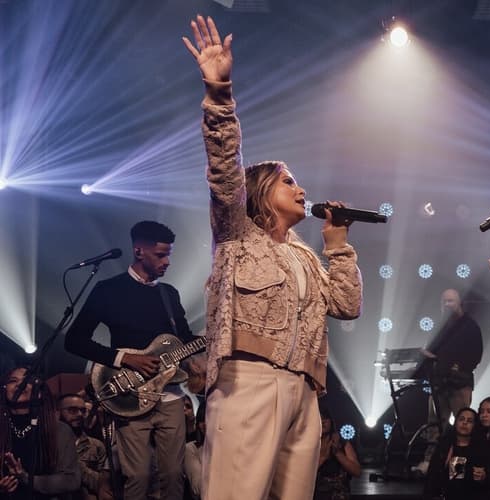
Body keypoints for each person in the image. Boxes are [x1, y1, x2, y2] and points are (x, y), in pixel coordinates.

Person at [182, 15, 363, 499]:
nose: (302, 189)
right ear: (261, 191)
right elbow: (223, 168)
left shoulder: (305, 256)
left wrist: (338, 246)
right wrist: (219, 93)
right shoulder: (237, 232)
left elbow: (347, 305)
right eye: (289, 181)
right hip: (248, 382)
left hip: (305, 391)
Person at [64, 220, 196, 500]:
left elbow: (185, 339)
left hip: (170, 396)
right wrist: (125, 358)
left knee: (173, 475)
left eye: (169, 254)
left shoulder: (168, 294)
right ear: (139, 252)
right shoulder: (107, 290)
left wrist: (215, 334)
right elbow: (74, 340)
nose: (167, 261)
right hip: (129, 395)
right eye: (161, 254)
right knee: (137, 476)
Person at [0, 367, 81, 499]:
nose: (20, 384)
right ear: (4, 390)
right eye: (13, 380)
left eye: (28, 380)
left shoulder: (59, 430)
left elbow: (71, 480)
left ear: (39, 392)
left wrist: (25, 478)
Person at [422, 289, 483, 428]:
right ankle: (436, 449)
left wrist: (456, 366)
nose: (447, 304)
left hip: (459, 384)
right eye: (444, 302)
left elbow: (476, 355)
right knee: (435, 426)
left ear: (459, 303)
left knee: (462, 425)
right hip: (439, 383)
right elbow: (431, 351)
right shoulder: (439, 327)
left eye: (450, 301)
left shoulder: (470, 326)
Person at [424, 407, 488, 500]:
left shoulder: (480, 448)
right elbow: (432, 475)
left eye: (469, 421)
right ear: (456, 422)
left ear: (475, 425)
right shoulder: (445, 445)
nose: (464, 423)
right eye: (461, 419)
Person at [57, 394, 106, 500]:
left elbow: (104, 485)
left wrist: (73, 462)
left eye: (83, 411)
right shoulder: (48, 444)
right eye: (72, 410)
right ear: (57, 412)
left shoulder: (96, 446)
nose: (79, 414)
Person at [313, 406, 361, 500]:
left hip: (339, 494)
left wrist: (338, 453)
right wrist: (323, 457)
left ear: (331, 421)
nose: (323, 422)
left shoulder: (342, 442)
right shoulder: (309, 445)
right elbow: (303, 475)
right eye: (319, 418)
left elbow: (357, 471)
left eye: (326, 418)